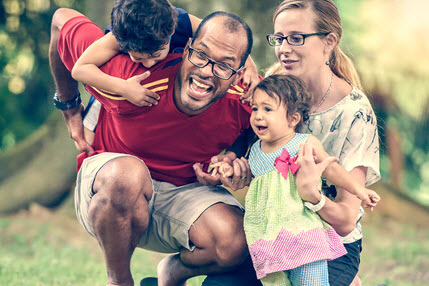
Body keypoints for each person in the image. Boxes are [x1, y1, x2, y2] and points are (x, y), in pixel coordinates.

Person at [49, 7, 260, 286]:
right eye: (201, 55)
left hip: (184, 195)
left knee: (234, 241)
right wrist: (69, 106)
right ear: (187, 48)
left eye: (224, 65)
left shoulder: (249, 100)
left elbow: (256, 135)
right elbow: (60, 20)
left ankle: (171, 274)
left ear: (238, 73)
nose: (207, 72)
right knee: (127, 174)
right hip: (112, 191)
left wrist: (232, 160)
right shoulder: (128, 79)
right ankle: (119, 280)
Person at [227, 0, 380, 285]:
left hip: (331, 244)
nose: (284, 48)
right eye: (279, 38)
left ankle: (347, 278)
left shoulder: (355, 113)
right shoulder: (271, 86)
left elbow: (347, 220)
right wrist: (231, 163)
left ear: (329, 42)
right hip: (273, 236)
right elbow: (254, 149)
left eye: (296, 38)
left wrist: (313, 196)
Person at [233, 74, 379, 286]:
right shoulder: (254, 151)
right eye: (255, 108)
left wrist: (359, 190)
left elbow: (332, 170)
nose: (257, 115)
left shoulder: (303, 144)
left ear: (293, 119)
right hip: (268, 241)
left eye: (267, 109)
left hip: (302, 236)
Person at [71, 0, 258, 108]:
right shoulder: (119, 37)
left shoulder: (181, 21)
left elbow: (228, 37)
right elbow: (80, 69)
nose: (149, 64)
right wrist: (123, 88)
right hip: (117, 92)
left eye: (156, 54)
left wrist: (249, 66)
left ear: (171, 32)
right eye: (138, 57)